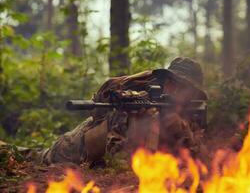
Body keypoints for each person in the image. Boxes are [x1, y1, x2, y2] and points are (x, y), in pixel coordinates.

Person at [41, 57, 208, 166]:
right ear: (164, 82)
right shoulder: (138, 104)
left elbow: (203, 156)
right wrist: (145, 123)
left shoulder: (192, 114)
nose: (176, 90)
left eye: (185, 87)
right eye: (173, 82)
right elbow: (119, 162)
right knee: (40, 156)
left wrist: (184, 133)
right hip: (72, 148)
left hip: (95, 158)